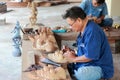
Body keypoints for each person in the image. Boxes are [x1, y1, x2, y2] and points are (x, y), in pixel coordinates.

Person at [62, 6, 114, 80]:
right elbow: (85, 49)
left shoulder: (92, 31)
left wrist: (74, 59)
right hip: (90, 63)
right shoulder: (84, 29)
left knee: (80, 74)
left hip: (100, 66)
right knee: (67, 65)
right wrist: (72, 51)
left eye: (71, 25)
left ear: (79, 20)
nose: (70, 27)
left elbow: (90, 56)